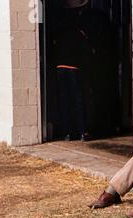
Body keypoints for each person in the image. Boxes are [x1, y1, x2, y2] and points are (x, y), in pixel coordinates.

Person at [55, 0, 92, 141]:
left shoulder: (59, 29)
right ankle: (83, 131)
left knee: (64, 101)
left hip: (60, 67)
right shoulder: (79, 31)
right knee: (78, 100)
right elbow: (86, 52)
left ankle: (68, 132)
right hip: (74, 68)